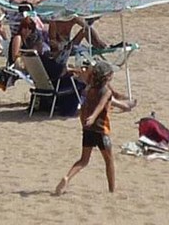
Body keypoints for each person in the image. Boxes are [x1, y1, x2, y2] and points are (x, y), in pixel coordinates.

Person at [53, 59, 134, 195]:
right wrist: (93, 117)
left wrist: (85, 122)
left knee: (83, 160)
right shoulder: (106, 91)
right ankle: (112, 190)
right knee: (109, 161)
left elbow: (84, 108)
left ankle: (67, 177)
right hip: (101, 130)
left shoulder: (89, 89)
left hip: (88, 130)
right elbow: (101, 106)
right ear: (107, 77)